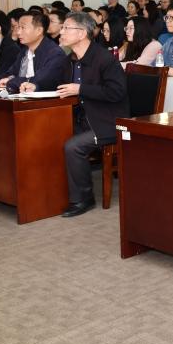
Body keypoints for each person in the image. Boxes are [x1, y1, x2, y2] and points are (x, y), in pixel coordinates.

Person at [55, 11, 129, 218]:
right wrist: (32, 85)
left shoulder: (104, 58)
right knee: (50, 137)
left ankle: (83, 198)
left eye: (66, 28)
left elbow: (116, 92)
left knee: (73, 146)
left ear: (81, 33)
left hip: (107, 120)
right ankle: (53, 194)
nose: (61, 32)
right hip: (83, 117)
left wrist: (81, 89)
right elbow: (57, 84)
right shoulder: (70, 59)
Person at [0, 11, 69, 92]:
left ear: (39, 30)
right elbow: (10, 73)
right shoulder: (24, 51)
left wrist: (11, 81)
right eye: (18, 27)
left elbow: (40, 80)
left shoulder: (54, 53)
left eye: (23, 28)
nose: (18, 32)